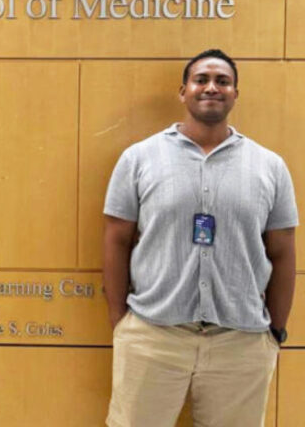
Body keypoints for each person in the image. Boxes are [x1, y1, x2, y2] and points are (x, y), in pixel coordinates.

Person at [103, 49, 297, 427]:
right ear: (183, 91)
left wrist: (274, 331)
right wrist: (121, 321)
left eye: (222, 81)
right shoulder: (139, 159)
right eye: (202, 79)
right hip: (153, 335)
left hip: (240, 342)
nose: (212, 87)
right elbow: (116, 239)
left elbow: (284, 251)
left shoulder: (270, 167)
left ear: (235, 93)